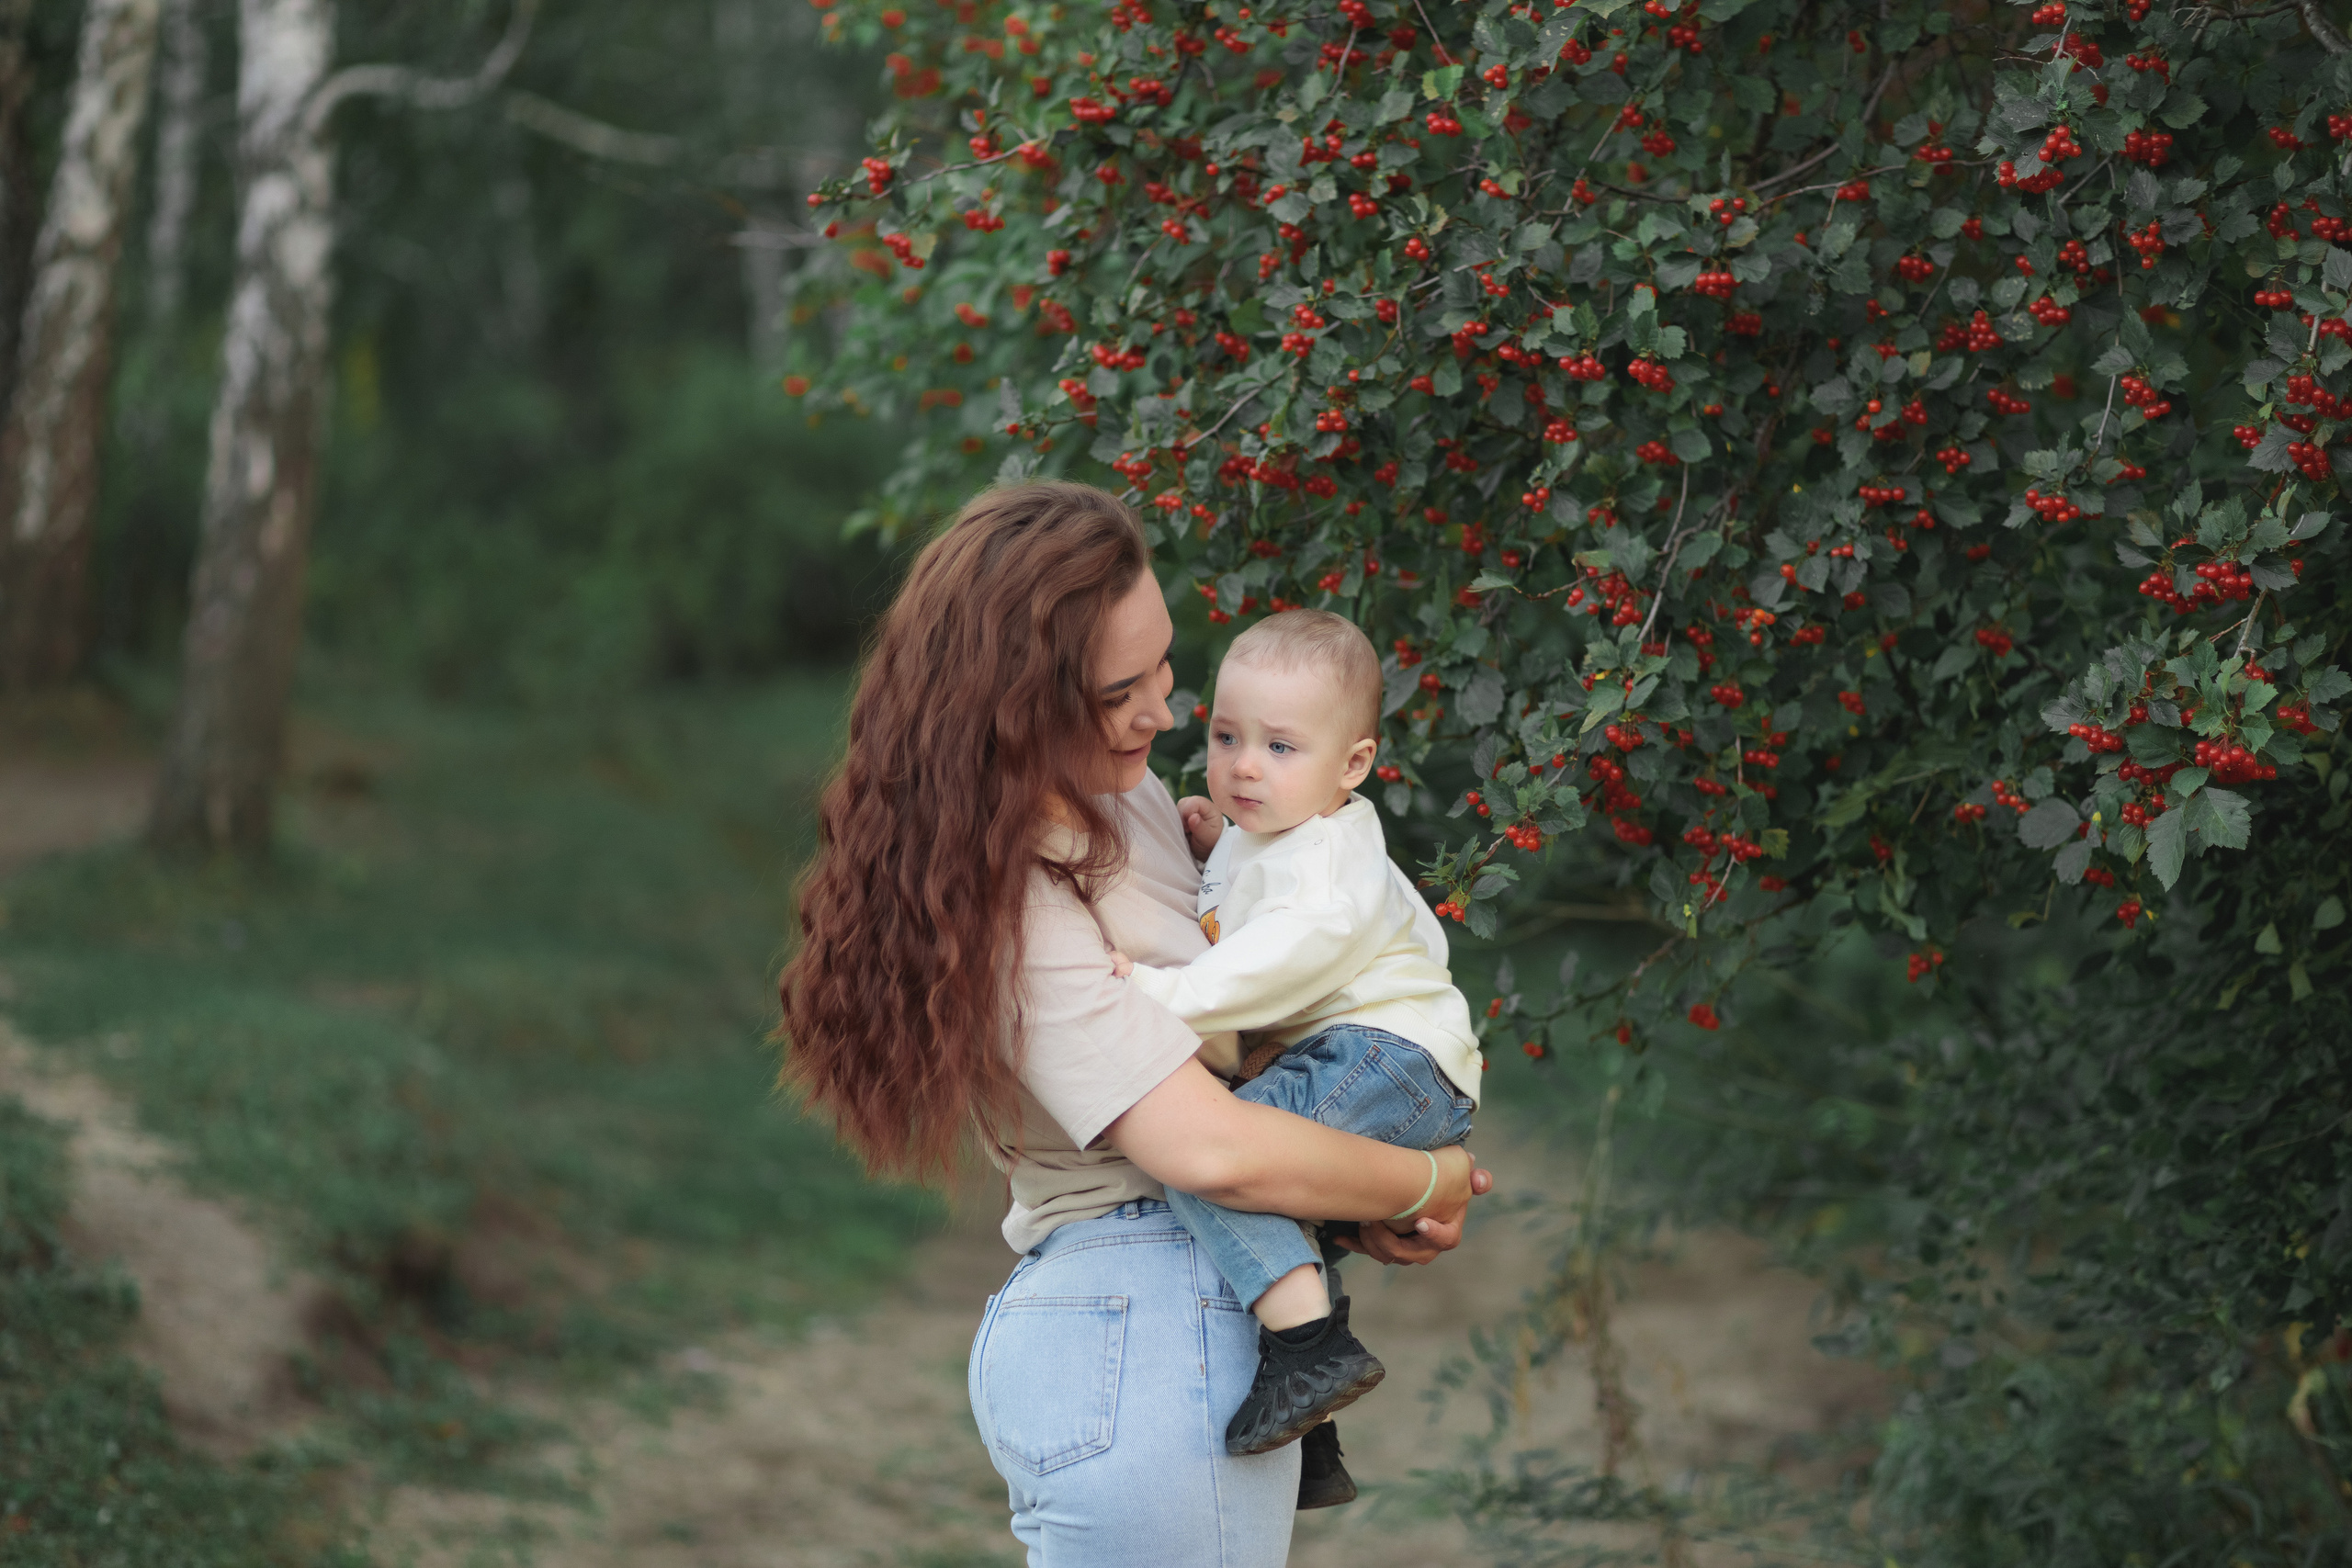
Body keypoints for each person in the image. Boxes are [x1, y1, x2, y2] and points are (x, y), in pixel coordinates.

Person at [778, 481, 1491, 1566]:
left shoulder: (1133, 798)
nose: (1161, 714)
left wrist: (1350, 1202)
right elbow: (1201, 1146)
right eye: (1121, 691)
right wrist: (1430, 1183)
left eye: (1165, 669)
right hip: (1140, 1321)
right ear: (1017, 703)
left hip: (1166, 1323)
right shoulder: (1010, 889)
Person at [1105, 609, 1482, 1482]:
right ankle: (1311, 1428)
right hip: (1382, 1058)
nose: (1242, 763)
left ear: (1354, 764)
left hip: (1389, 1053)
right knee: (1275, 1190)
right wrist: (1212, 849)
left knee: (1215, 1154)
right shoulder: (1279, 832)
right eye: (1227, 734)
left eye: (1280, 747)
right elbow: (1249, 901)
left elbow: (1276, 956)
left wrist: (1164, 993)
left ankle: (1312, 1347)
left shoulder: (1328, 870)